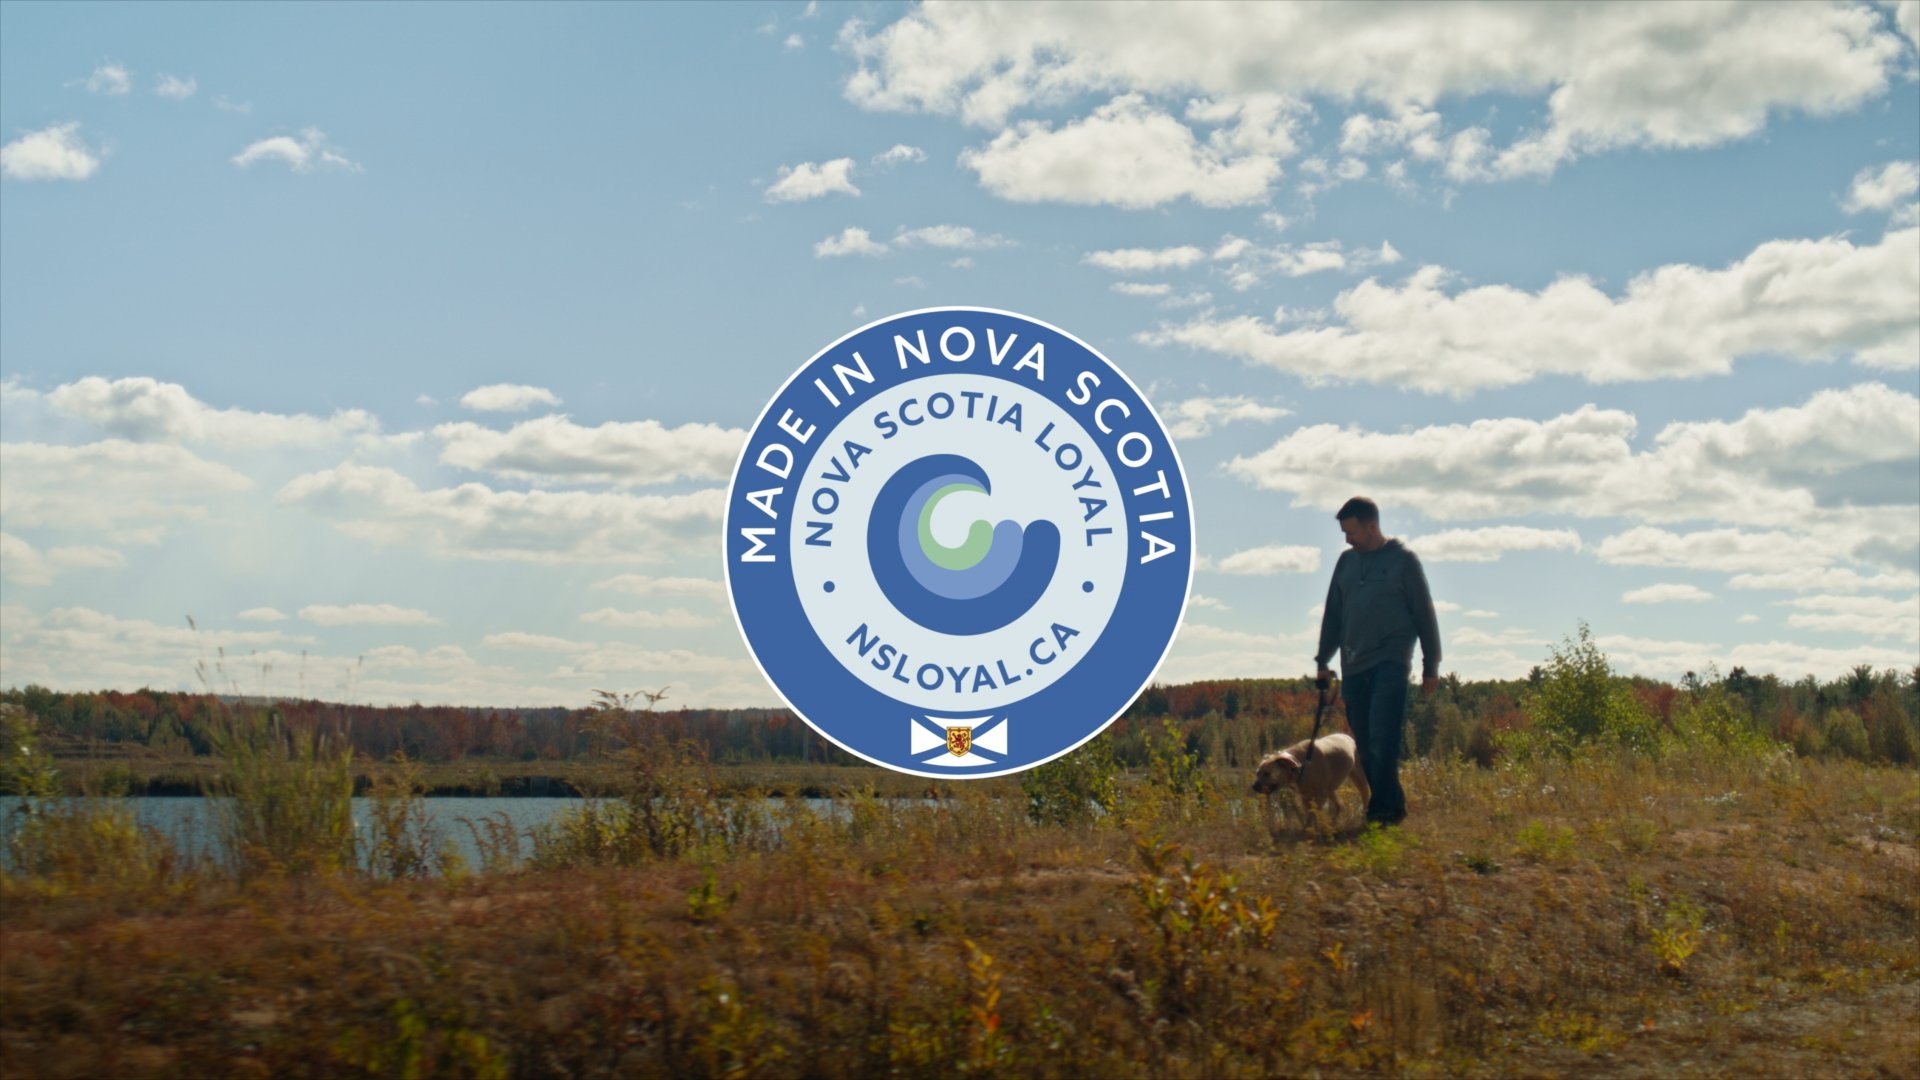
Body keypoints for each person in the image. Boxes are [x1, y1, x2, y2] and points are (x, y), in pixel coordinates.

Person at [1313, 496, 1441, 827]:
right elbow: (1334, 614)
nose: (1347, 539)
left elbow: (1424, 615)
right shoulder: (1345, 564)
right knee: (1366, 745)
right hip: (1353, 665)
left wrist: (1431, 665)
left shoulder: (1403, 561)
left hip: (1391, 661)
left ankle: (1380, 813)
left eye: (1352, 532)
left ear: (1372, 526)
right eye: (1344, 533)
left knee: (1384, 738)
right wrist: (1323, 659)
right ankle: (1392, 806)